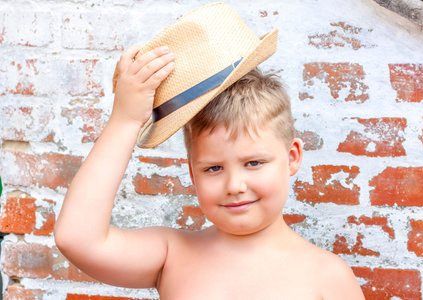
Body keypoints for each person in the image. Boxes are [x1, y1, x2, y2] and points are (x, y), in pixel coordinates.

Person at [55, 3, 364, 299]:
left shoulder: (328, 276)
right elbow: (77, 239)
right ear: (192, 172)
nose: (234, 186)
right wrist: (125, 120)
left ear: (292, 157)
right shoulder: (172, 254)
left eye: (254, 162)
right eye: (213, 168)